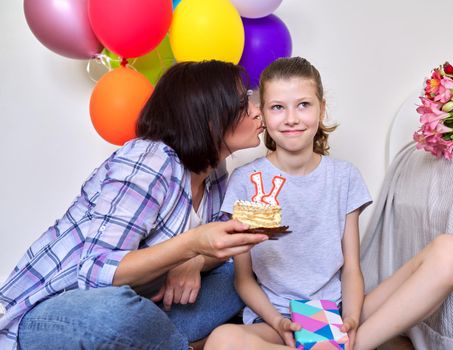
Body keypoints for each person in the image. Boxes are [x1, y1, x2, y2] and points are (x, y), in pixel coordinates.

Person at [205, 57, 453, 350]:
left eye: (303, 105)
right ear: (264, 115)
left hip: (337, 311)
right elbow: (244, 279)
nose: (291, 118)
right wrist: (279, 322)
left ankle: (346, 345)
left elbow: (351, 268)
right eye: (278, 107)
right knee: (222, 340)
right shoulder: (246, 180)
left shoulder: (344, 177)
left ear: (321, 109)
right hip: (277, 320)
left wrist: (352, 320)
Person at [0, 60, 271, 350]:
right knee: (116, 313)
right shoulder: (150, 160)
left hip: (147, 305)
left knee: (244, 271)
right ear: (209, 117)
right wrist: (191, 246)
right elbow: (94, 271)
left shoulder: (215, 173)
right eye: (244, 102)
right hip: (60, 313)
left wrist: (196, 260)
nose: (257, 109)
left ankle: (168, 341)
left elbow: (217, 245)